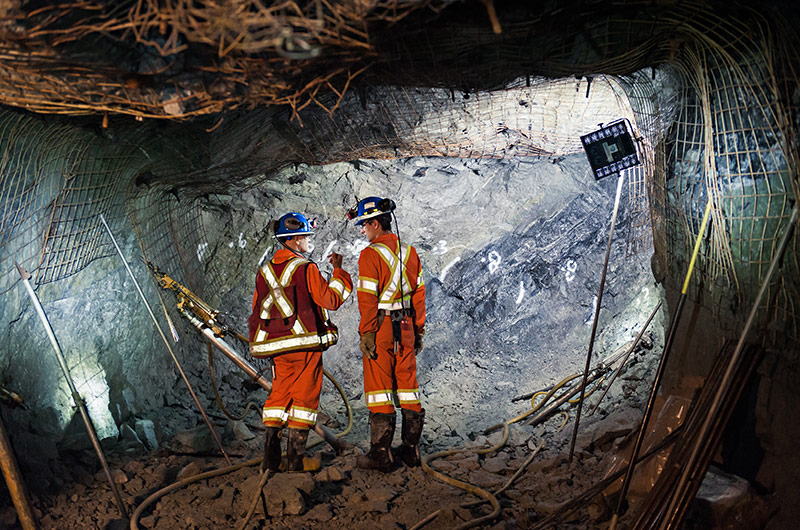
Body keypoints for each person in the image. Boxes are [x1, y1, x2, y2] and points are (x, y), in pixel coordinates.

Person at [248, 212, 352, 472]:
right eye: (305, 236)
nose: (308, 241)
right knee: (304, 401)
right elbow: (331, 300)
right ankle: (295, 463)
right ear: (293, 240)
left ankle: (270, 462)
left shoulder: (264, 273)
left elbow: (258, 310)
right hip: (304, 346)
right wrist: (339, 272)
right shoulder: (306, 268)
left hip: (278, 349)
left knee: (279, 396)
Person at [349, 196, 426, 471]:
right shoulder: (411, 252)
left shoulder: (369, 255)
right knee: (408, 386)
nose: (362, 231)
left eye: (363, 225)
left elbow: (367, 300)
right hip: (406, 325)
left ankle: (381, 454)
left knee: (380, 389)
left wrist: (366, 332)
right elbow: (419, 295)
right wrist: (418, 330)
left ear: (374, 223)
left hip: (381, 327)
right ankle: (411, 450)